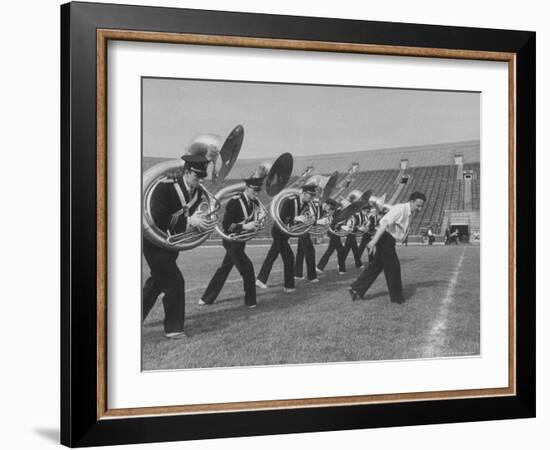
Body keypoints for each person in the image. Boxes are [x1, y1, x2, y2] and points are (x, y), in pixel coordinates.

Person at [142, 154, 213, 339]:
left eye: (203, 176)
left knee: (156, 284)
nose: (201, 180)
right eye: (198, 176)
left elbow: (194, 215)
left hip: (172, 244)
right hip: (153, 243)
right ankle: (174, 329)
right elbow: (157, 216)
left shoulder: (197, 193)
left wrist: (200, 221)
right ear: (187, 172)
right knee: (175, 282)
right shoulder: (165, 187)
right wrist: (189, 221)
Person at [198, 173, 266, 308]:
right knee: (247, 268)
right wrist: (244, 226)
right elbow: (226, 225)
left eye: (258, 191)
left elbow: (252, 221)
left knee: (224, 269)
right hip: (231, 241)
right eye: (254, 190)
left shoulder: (253, 203)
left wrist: (258, 220)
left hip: (240, 241)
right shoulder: (235, 201)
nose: (257, 194)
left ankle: (206, 299)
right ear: (247, 188)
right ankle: (250, 302)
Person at [348, 192, 427, 304]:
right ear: (411, 201)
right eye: (418, 205)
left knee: (376, 266)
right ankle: (397, 298)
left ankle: (356, 288)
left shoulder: (407, 211)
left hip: (388, 239)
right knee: (393, 267)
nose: (419, 209)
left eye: (421, 206)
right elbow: (384, 223)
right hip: (385, 238)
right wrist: (374, 241)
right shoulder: (400, 209)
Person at [256, 183, 316, 292]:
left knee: (272, 256)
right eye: (310, 195)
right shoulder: (290, 200)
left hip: (286, 234)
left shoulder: (306, 205)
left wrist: (307, 220)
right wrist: (296, 219)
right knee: (289, 257)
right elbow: (283, 218)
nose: (312, 198)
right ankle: (289, 287)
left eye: (313, 196)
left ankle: (260, 280)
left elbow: (306, 219)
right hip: (279, 232)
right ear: (303, 193)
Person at [295, 196, 321, 283]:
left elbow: (314, 217)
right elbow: (302, 217)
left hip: (305, 230)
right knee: (310, 251)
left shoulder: (311, 205)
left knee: (301, 252)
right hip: (302, 229)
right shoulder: (305, 205)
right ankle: (312, 276)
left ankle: (297, 274)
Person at [316, 199, 346, 275]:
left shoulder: (336, 211)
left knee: (331, 250)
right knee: (340, 250)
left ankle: (320, 267)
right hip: (333, 233)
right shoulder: (331, 212)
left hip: (335, 233)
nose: (328, 209)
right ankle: (341, 269)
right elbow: (328, 224)